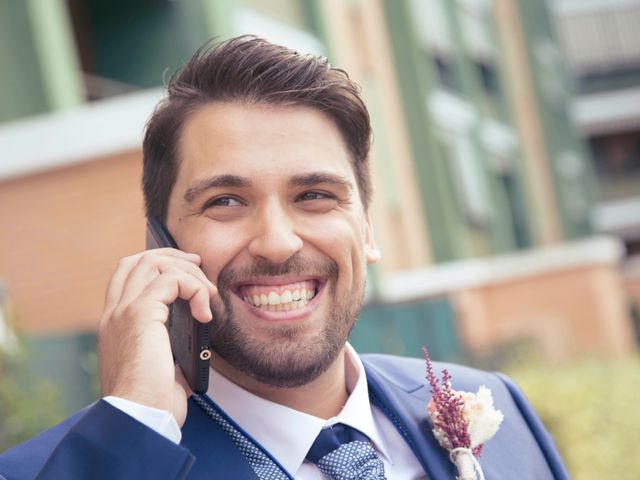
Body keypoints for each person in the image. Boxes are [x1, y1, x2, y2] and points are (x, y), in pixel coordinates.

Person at [0, 36, 569, 480]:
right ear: (161, 245)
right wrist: (136, 428)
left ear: (367, 227)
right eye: (226, 201)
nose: (278, 242)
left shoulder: (503, 412)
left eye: (314, 196)